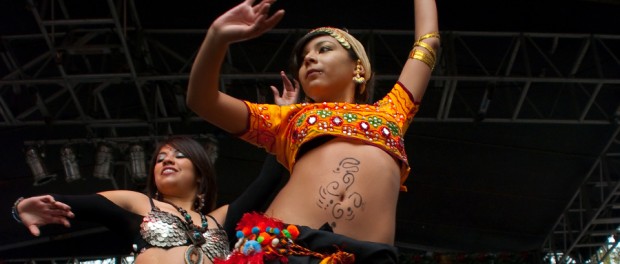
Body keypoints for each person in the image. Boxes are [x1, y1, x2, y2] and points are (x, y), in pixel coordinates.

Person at [186, 0, 439, 262]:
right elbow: (202, 101)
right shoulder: (289, 118)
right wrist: (217, 37)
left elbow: (428, 43)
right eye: (303, 58)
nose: (308, 58)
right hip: (281, 249)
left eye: (324, 49)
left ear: (358, 68)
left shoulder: (393, 110)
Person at [11, 136, 283, 264]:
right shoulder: (139, 203)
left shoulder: (218, 219)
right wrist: (22, 208)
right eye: (161, 158)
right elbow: (76, 203)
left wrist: (280, 126)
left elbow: (266, 182)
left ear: (200, 174)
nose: (167, 160)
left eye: (179, 155)